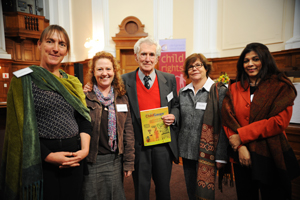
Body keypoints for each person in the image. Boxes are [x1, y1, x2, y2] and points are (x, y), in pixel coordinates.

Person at [0, 25, 92, 200]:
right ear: (39, 44)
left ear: (66, 51)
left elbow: (84, 120)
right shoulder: (23, 80)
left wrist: (84, 150)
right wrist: (48, 156)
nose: (56, 48)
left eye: (62, 44)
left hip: (75, 157)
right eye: (50, 41)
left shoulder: (73, 82)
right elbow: (20, 129)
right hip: (41, 159)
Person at [221, 42, 300, 200]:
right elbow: (227, 118)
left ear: (265, 60)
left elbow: (278, 123)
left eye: (255, 59)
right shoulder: (234, 87)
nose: (250, 64)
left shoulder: (280, 87)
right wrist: (241, 147)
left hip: (270, 153)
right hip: (241, 154)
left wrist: (241, 136)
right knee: (245, 195)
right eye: (246, 60)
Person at [122, 37, 180, 200]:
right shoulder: (123, 80)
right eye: (144, 54)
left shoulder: (169, 79)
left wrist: (173, 116)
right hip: (138, 147)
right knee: (141, 190)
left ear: (157, 58)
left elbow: (176, 104)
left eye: (152, 54)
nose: (148, 59)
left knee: (164, 189)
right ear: (136, 56)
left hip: (162, 145)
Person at [83, 51, 135, 200]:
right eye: (99, 69)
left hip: (115, 160)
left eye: (108, 69)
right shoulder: (85, 97)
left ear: (114, 71)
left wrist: (129, 162)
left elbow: (128, 132)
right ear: (93, 72)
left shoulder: (122, 97)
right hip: (92, 160)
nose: (104, 73)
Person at [178, 53, 228, 200]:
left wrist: (221, 156)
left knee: (204, 191)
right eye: (190, 66)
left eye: (198, 65)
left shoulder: (219, 91)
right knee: (190, 189)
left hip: (208, 151)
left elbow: (224, 126)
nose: (194, 69)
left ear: (206, 68)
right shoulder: (183, 92)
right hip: (187, 150)